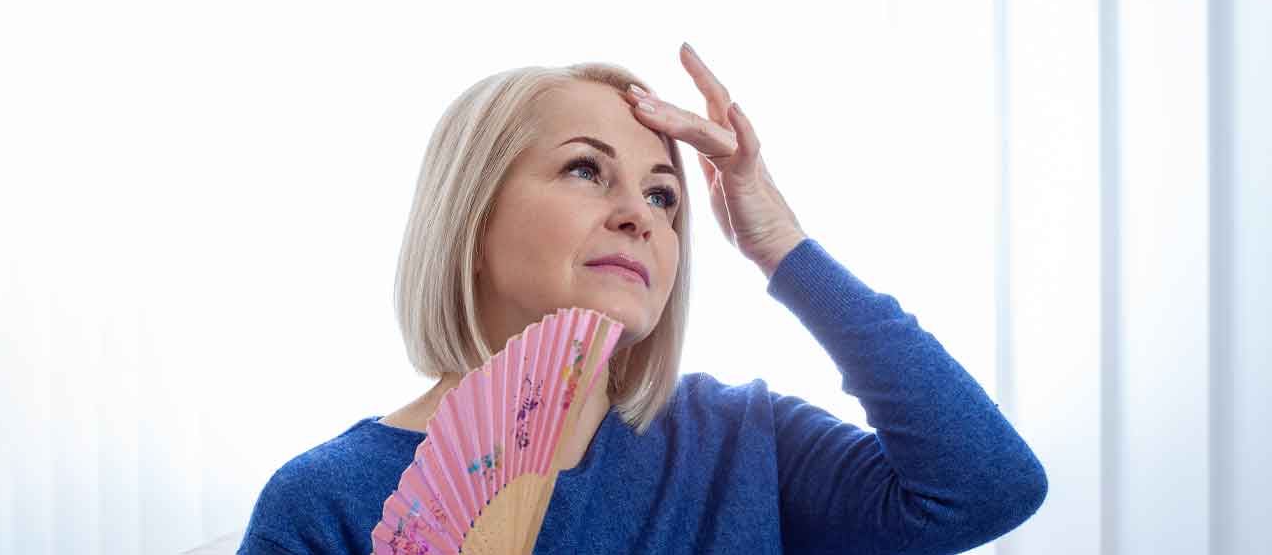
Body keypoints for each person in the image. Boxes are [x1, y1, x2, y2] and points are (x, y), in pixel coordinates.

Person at [239, 43, 1047, 555]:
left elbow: (986, 485)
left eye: (665, 197)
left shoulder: (740, 445)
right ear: (473, 216)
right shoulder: (327, 501)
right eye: (586, 169)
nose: (640, 214)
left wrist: (782, 246)